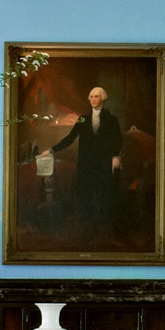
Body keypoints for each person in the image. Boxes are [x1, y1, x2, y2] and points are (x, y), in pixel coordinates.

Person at [45, 86, 125, 240]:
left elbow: (118, 141)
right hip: (87, 165)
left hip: (104, 165)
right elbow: (70, 138)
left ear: (103, 98)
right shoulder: (83, 118)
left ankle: (104, 233)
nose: (94, 99)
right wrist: (52, 149)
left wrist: (116, 156)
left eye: (97, 96)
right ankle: (88, 232)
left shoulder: (112, 119)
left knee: (103, 196)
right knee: (86, 196)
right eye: (92, 97)